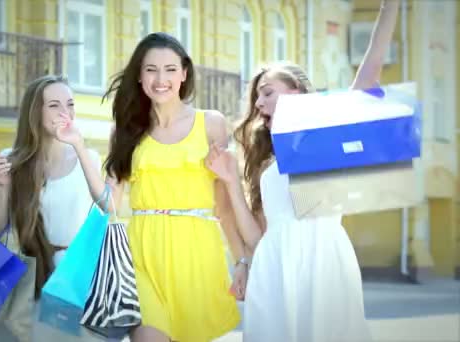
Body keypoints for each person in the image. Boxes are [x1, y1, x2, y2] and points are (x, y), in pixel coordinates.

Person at [205, 1, 400, 341]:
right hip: (274, 266)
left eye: (267, 94)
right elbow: (255, 238)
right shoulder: (264, 160)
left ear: (295, 91)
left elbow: (369, 75)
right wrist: (232, 181)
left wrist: (389, 9)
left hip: (324, 260)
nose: (259, 104)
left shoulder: (327, 136)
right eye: (256, 100)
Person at [52, 32, 245, 342]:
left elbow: (224, 207)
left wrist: (242, 262)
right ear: (139, 76)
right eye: (151, 69)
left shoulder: (212, 124)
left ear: (184, 74)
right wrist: (77, 143)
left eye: (170, 69)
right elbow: (108, 201)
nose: (160, 79)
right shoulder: (126, 131)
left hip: (197, 255)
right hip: (140, 254)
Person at [0, 75, 103, 341]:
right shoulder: (10, 159)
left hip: (75, 278)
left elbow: (109, 209)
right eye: (54, 105)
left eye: (70, 104)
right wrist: (3, 187)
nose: (65, 112)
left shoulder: (89, 158)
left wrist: (80, 146)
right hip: (26, 277)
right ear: (35, 112)